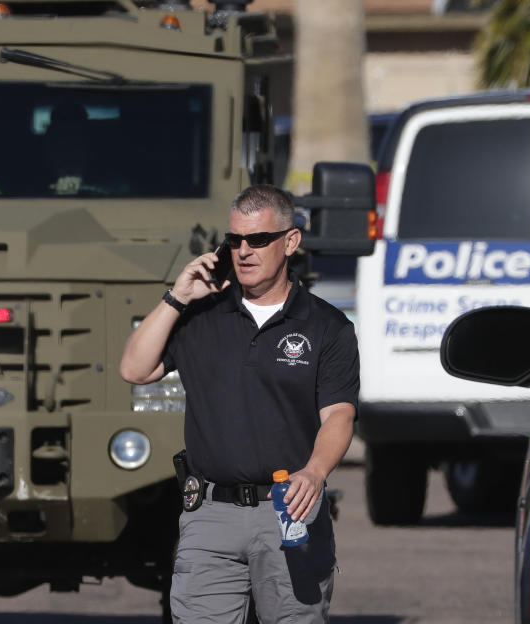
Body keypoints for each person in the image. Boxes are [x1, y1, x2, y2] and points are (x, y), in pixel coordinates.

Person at [119, 185, 359, 623]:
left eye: (259, 240)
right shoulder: (199, 316)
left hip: (290, 512)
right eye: (235, 240)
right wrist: (177, 297)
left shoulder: (328, 326)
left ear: (290, 241)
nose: (244, 251)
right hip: (209, 514)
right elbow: (135, 369)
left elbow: (339, 414)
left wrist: (316, 471)